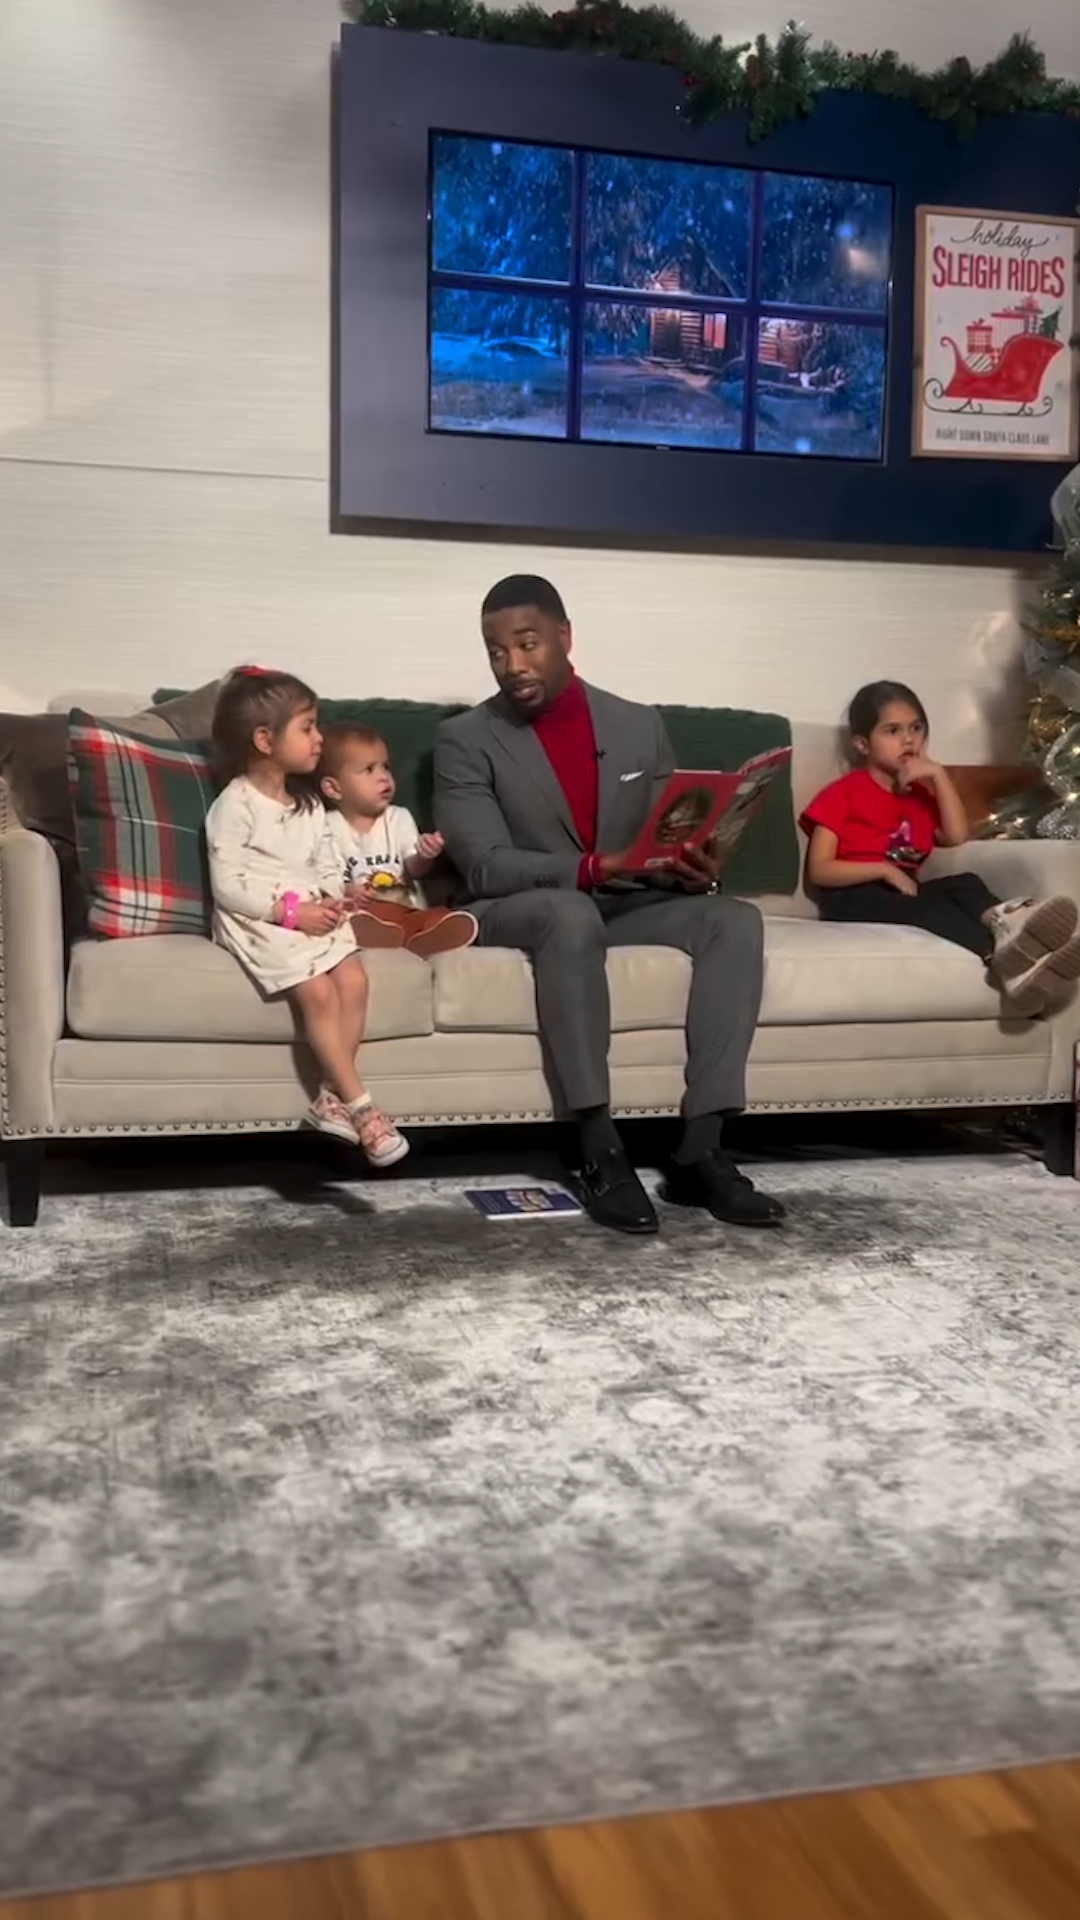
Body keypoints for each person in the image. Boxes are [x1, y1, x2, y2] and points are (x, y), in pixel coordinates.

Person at [433, 574, 784, 1237]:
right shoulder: (465, 739)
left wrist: (693, 867)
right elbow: (484, 864)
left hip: (622, 903)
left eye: (528, 644)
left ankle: (700, 1151)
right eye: (497, 651)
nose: (513, 664)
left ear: (564, 638)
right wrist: (592, 868)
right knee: (570, 914)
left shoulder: (637, 724)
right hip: (515, 909)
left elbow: (662, 834)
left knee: (733, 919)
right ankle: (599, 1149)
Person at [205, 667, 409, 1167]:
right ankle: (363, 1108)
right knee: (318, 992)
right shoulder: (234, 805)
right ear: (264, 740)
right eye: (308, 727)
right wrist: (292, 913)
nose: (320, 738)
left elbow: (323, 861)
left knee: (354, 979)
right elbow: (229, 886)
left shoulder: (310, 805)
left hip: (312, 909)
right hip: (262, 918)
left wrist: (340, 893)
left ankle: (329, 1099)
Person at [801, 679, 1080, 1018]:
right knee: (929, 907)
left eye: (916, 728)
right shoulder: (843, 793)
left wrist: (937, 775)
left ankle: (1010, 928)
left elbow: (956, 835)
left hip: (901, 892)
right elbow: (820, 870)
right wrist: (883, 869)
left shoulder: (920, 798)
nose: (908, 739)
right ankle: (1000, 957)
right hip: (850, 896)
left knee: (965, 883)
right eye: (892, 731)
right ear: (862, 744)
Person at [316, 723, 478, 959]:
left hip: (407, 909)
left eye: (386, 767)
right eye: (369, 769)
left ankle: (424, 937)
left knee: (437, 915)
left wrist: (424, 856)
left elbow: (414, 870)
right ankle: (382, 937)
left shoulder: (398, 817)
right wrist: (348, 890)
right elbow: (325, 878)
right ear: (333, 788)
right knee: (357, 919)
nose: (384, 777)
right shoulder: (326, 826)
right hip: (364, 911)